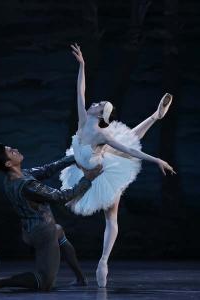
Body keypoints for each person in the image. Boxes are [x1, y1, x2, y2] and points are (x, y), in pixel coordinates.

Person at [60, 44, 176, 288]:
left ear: (100, 113)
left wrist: (156, 160)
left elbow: (131, 150)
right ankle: (155, 116)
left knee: (111, 216)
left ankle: (104, 261)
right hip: (85, 169)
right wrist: (82, 65)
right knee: (122, 143)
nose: (94, 103)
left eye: (98, 104)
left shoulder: (102, 135)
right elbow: (79, 93)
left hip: (101, 173)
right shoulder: (83, 123)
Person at [0, 143, 101, 291]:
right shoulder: (27, 185)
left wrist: (74, 158)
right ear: (8, 163)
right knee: (44, 283)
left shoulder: (14, 177)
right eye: (11, 152)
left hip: (32, 229)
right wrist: (87, 180)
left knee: (59, 231)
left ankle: (81, 279)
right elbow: (61, 196)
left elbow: (47, 170)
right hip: (43, 232)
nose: (16, 150)